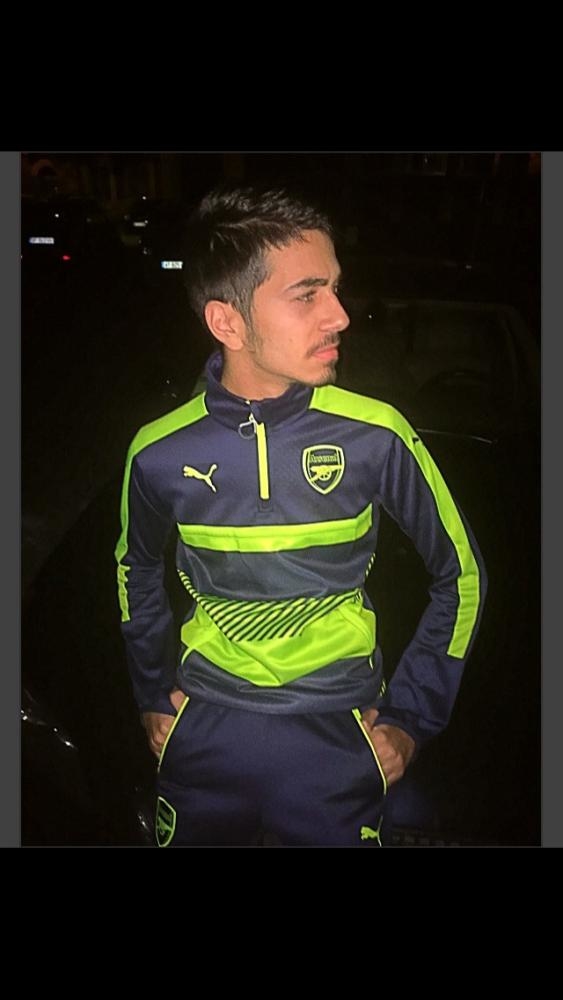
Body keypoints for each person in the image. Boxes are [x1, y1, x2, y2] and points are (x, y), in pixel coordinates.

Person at [115, 185, 487, 847]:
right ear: (227, 323)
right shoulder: (159, 450)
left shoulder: (376, 434)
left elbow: (460, 575)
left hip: (339, 734)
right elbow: (134, 570)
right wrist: (150, 695)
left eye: (335, 289)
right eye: (307, 295)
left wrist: (409, 717)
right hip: (202, 735)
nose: (339, 315)